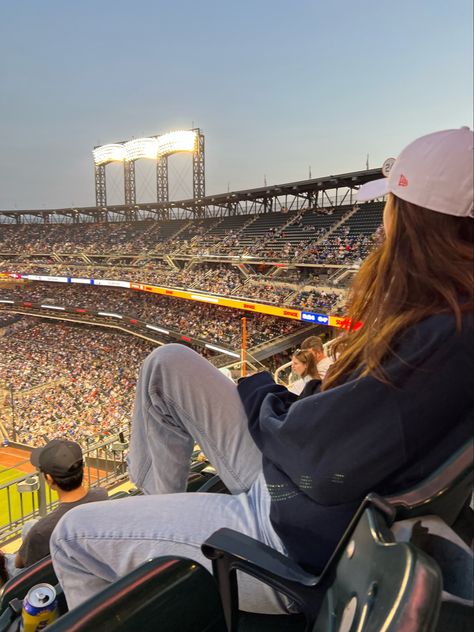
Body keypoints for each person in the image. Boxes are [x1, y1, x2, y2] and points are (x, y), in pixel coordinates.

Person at [51, 127, 473, 613]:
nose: (383, 220)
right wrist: (291, 397)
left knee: (70, 538)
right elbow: (338, 432)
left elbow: (314, 455)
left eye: (392, 203)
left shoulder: (444, 335)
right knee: (167, 364)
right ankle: (155, 524)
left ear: (418, 221)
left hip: (288, 542)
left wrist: (259, 392)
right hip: (302, 497)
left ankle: (147, 584)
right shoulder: (445, 320)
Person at [14, 440, 108, 570]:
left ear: (50, 480)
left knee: (28, 527)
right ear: (82, 468)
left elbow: (19, 565)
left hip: (61, 580)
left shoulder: (41, 531)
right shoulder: (103, 495)